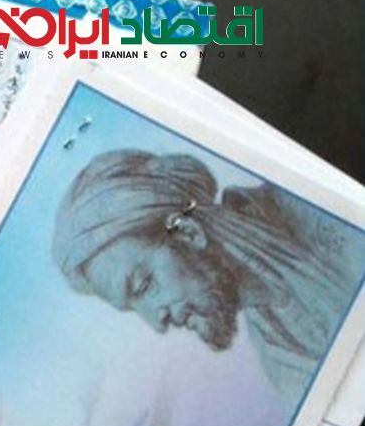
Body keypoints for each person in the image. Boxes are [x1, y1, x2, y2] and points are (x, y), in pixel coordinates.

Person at [51, 149, 364, 404]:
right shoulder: (280, 361)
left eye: (144, 286)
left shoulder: (315, 201)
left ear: (188, 233)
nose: (158, 323)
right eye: (134, 308)